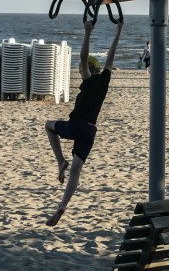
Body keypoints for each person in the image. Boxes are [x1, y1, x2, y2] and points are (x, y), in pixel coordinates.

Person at [44, 18, 124, 227]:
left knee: (49, 125)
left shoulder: (89, 82)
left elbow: (82, 56)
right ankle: (62, 205)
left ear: (87, 69)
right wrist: (119, 30)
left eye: (82, 70)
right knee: (76, 172)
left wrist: (87, 31)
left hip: (76, 125)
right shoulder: (105, 82)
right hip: (90, 131)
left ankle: (60, 160)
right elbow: (111, 55)